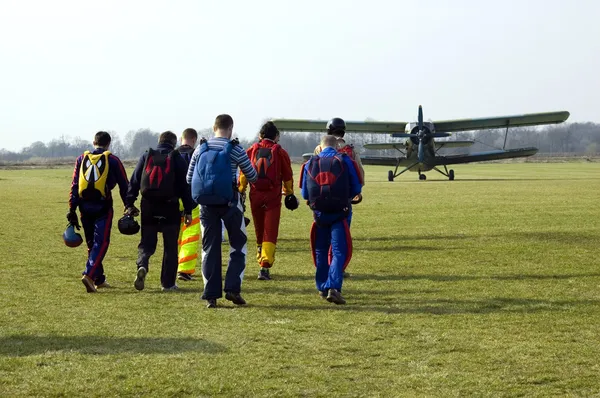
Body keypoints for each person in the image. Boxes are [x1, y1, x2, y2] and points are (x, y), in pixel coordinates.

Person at [187, 114, 258, 308]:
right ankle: (233, 289)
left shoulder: (200, 149)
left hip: (206, 207)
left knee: (209, 248)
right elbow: (252, 175)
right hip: (230, 205)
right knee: (238, 244)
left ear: (213, 127)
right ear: (230, 129)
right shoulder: (235, 149)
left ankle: (211, 295)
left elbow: (189, 179)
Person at [125, 131, 195, 292]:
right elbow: (185, 186)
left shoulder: (146, 155)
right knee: (170, 247)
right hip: (170, 206)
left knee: (147, 243)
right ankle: (167, 283)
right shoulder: (176, 157)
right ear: (174, 142)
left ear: (159, 141)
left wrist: (129, 203)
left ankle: (142, 265)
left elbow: (135, 180)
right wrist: (189, 210)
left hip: (148, 205)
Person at [301, 135, 362, 304]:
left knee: (320, 250)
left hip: (319, 214)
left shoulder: (310, 163)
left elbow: (305, 193)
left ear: (320, 147)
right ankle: (334, 287)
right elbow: (356, 186)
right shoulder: (344, 160)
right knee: (338, 251)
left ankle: (322, 287)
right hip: (339, 213)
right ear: (336, 146)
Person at [67, 131, 129, 293]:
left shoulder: (81, 159)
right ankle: (89, 274)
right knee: (101, 242)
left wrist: (71, 209)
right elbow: (124, 185)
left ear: (93, 142)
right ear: (108, 143)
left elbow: (74, 184)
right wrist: (128, 205)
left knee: (91, 243)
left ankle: (98, 279)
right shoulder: (112, 160)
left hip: (83, 207)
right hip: (103, 207)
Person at [239, 121, 298, 280]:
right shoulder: (280, 152)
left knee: (259, 230)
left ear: (260, 135)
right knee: (270, 231)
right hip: (273, 197)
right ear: (277, 136)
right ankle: (264, 266)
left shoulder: (251, 150)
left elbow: (243, 173)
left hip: (255, 195)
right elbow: (287, 176)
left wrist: (241, 191)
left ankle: (260, 259)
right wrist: (289, 193)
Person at [314, 118, 364, 277]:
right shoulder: (350, 150)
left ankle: (325, 271)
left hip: (321, 201)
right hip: (344, 202)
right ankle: (337, 269)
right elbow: (360, 175)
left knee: (323, 239)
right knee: (340, 238)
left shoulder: (319, 149)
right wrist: (356, 193)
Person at [176, 128, 200, 281]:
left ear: (181, 139)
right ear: (194, 140)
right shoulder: (196, 155)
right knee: (190, 234)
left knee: (175, 234)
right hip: (191, 199)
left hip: (173, 198)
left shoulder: (172, 155)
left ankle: (174, 264)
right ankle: (184, 269)